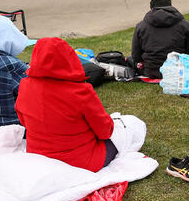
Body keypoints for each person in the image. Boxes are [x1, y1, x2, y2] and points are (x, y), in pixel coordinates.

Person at [16, 38, 145, 172]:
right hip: (79, 162)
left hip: (39, 158)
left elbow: (23, 120)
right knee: (130, 126)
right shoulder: (80, 91)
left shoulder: (25, 86)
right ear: (69, 57)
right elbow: (105, 131)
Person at [130, 0, 189, 79]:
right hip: (178, 70)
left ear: (151, 8)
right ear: (170, 6)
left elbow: (136, 56)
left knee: (130, 59)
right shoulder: (184, 24)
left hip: (151, 71)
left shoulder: (141, 26)